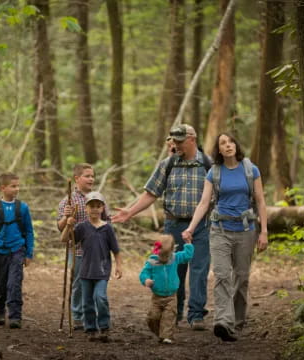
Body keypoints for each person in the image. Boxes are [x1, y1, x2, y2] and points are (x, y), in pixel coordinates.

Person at [113, 124, 211, 330]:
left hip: (202, 225)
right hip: (173, 225)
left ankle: (196, 315)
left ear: (192, 139)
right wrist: (130, 212)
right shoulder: (168, 164)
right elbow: (151, 193)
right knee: (173, 268)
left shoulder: (208, 164)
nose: (175, 145)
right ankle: (174, 312)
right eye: (173, 141)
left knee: (199, 269)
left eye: (180, 141)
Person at [182, 132, 268, 342]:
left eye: (231, 142)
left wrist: (264, 231)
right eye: (223, 143)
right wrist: (191, 228)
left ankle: (237, 323)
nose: (228, 145)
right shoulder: (214, 172)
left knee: (242, 277)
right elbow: (204, 203)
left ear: (236, 146)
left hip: (246, 231)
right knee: (222, 276)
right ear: (218, 150)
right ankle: (223, 321)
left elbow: (260, 201)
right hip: (219, 230)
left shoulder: (251, 169)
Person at [57, 163, 109, 330]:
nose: (91, 179)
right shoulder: (68, 201)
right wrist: (66, 218)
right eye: (87, 176)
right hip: (77, 249)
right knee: (79, 282)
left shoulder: (98, 198)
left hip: (97, 250)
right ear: (77, 179)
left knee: (96, 281)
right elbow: (60, 227)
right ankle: (77, 316)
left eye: (93, 176)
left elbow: (107, 219)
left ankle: (91, 315)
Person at [65, 191, 122, 342]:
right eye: (92, 206)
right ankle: (90, 328)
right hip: (85, 270)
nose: (95, 209)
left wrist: (119, 266)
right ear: (86, 208)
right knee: (87, 302)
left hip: (102, 270)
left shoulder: (107, 228)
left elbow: (115, 249)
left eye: (98, 206)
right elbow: (65, 240)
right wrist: (68, 224)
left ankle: (104, 326)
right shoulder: (82, 227)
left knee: (100, 297)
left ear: (103, 208)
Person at [0, 172, 34, 329]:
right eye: (13, 186)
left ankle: (15, 316)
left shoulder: (23, 208)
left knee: (14, 283)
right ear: (2, 188)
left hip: (17, 250)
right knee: (0, 284)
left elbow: (29, 231)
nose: (17, 189)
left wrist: (29, 253)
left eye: (18, 186)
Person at [139, 234, 194, 344]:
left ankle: (167, 336)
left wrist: (188, 244)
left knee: (169, 316)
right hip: (157, 297)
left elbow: (187, 256)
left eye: (166, 255)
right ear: (157, 250)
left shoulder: (174, 258)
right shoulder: (152, 261)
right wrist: (146, 280)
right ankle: (160, 333)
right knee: (152, 317)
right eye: (162, 255)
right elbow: (143, 273)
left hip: (171, 296)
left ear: (172, 250)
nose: (164, 258)